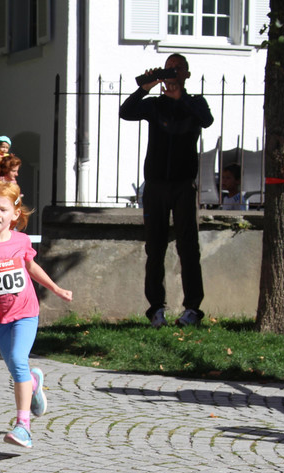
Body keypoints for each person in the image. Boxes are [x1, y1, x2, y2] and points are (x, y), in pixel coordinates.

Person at [0, 179, 72, 449]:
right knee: (15, 368)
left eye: (3, 209)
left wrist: (55, 288)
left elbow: (31, 267)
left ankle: (23, 427)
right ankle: (34, 382)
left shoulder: (21, 240)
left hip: (26, 312)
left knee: (19, 360)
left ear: (15, 214)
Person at [119, 53, 213, 329]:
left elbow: (206, 120)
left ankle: (192, 309)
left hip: (184, 185)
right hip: (156, 185)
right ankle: (156, 309)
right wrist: (145, 87)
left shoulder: (195, 103)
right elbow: (126, 112)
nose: (172, 72)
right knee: (155, 248)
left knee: (189, 248)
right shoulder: (154, 105)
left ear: (186, 74)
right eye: (168, 68)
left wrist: (180, 97)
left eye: (177, 68)